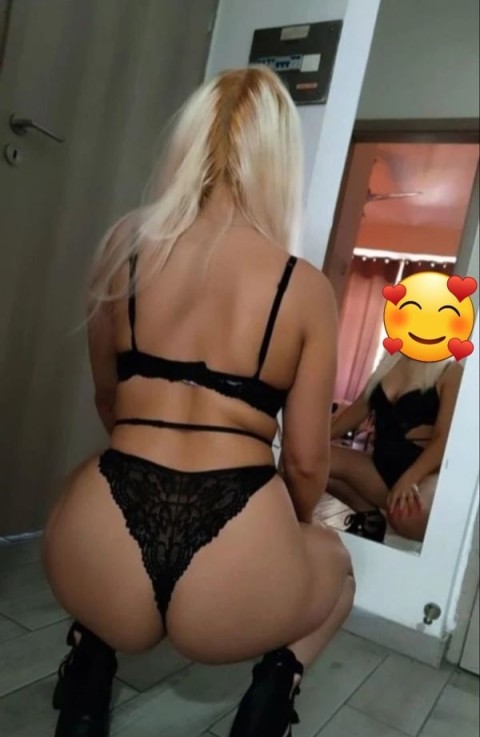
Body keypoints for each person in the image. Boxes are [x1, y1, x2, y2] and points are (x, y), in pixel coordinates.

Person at [42, 66, 355, 737]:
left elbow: (109, 400)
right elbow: (305, 463)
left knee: (83, 481)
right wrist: (283, 535)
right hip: (236, 536)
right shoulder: (303, 289)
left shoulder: (123, 249)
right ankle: (272, 697)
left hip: (103, 536)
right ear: (278, 161)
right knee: (337, 566)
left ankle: (89, 670)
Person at [328, 352, 462, 543]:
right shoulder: (389, 362)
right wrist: (312, 442)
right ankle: (370, 518)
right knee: (309, 459)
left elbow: (444, 439)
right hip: (379, 466)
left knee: (406, 517)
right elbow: (356, 411)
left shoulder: (451, 371)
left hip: (421, 474)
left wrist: (409, 479)